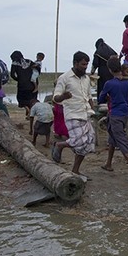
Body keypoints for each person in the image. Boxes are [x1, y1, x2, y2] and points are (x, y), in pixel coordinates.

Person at [51, 51, 95, 179]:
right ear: (75, 63)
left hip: (85, 113)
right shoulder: (64, 78)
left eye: (86, 65)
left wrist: (93, 109)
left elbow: (89, 96)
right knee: (78, 141)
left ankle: (75, 170)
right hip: (72, 114)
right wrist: (63, 96)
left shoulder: (86, 78)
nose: (85, 67)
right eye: (82, 65)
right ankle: (59, 145)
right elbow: (55, 98)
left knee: (88, 143)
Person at [98, 57, 128, 182]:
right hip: (123, 114)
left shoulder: (109, 84)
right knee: (112, 139)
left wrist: (107, 97)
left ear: (110, 70)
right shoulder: (127, 83)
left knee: (121, 141)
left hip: (115, 114)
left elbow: (101, 99)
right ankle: (108, 164)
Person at [10, 50, 36, 117]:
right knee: (30, 99)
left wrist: (18, 79)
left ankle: (26, 107)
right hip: (31, 84)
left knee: (20, 98)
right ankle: (30, 113)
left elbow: (12, 74)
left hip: (22, 84)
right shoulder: (29, 62)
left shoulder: (15, 63)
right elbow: (37, 69)